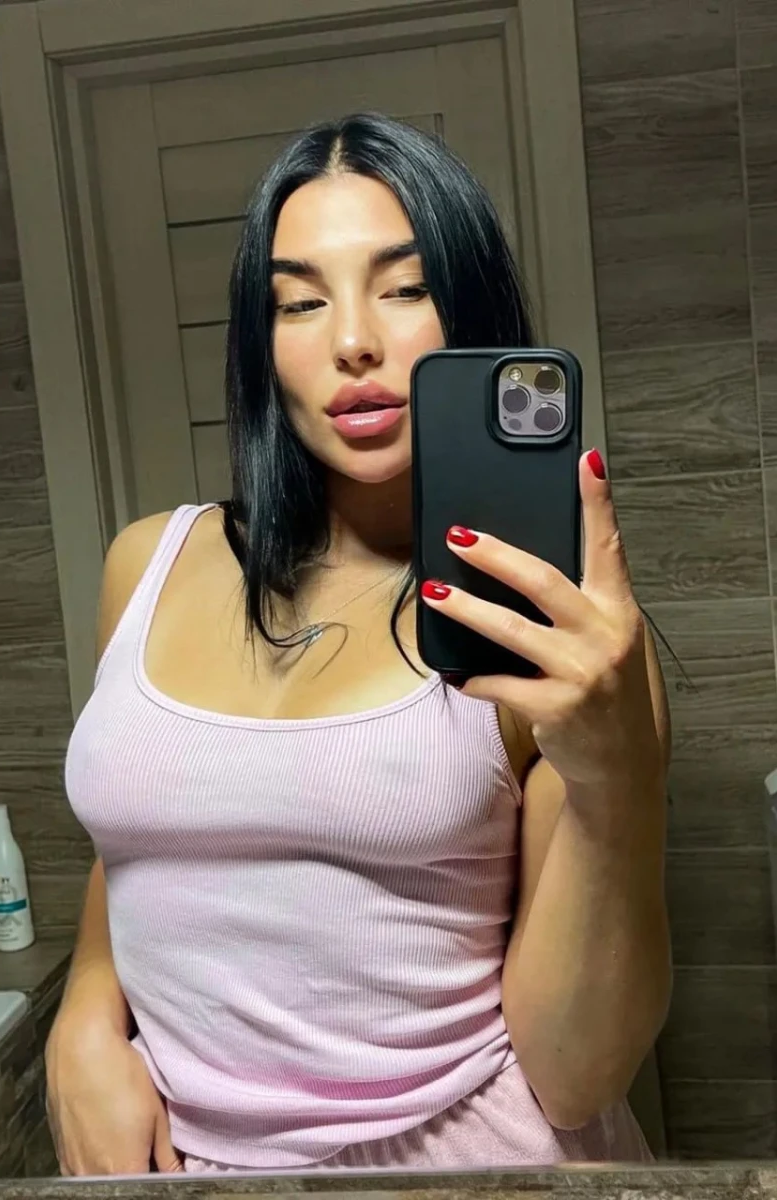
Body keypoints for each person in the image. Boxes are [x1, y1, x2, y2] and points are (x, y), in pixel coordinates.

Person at [45, 112, 672, 1176]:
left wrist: (619, 778)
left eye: (404, 287)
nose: (352, 342)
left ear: (471, 313)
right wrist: (83, 1014)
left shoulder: (562, 635)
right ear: (262, 345)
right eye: (300, 300)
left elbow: (575, 1075)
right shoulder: (146, 564)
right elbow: (141, 842)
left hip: (472, 1172)